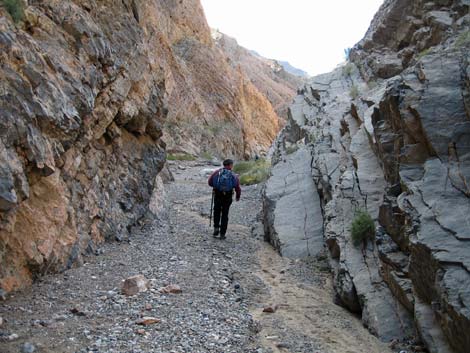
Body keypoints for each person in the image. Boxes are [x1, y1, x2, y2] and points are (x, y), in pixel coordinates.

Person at [208, 159, 241, 239]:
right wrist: (237, 196)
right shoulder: (233, 175)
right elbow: (237, 187)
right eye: (232, 165)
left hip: (218, 194)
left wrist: (216, 187)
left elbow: (209, 182)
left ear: (224, 165)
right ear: (230, 165)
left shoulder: (217, 172)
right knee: (225, 214)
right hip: (228, 196)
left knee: (216, 211)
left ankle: (216, 228)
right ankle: (222, 233)